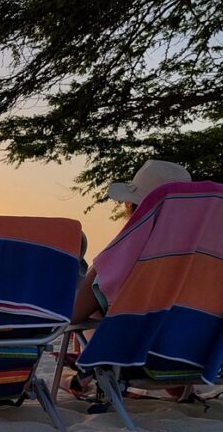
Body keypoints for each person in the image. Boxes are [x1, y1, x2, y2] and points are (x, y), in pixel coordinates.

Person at [61, 159, 192, 398]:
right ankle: (177, 383)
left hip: (137, 360)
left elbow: (71, 317)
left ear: (133, 207)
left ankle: (83, 375)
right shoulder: (210, 259)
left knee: (94, 300)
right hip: (197, 355)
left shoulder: (120, 259)